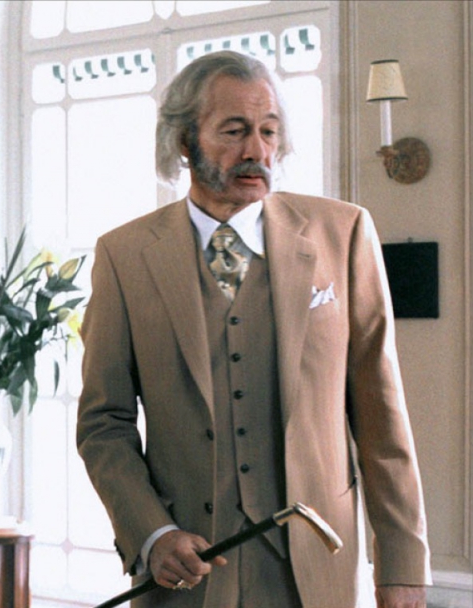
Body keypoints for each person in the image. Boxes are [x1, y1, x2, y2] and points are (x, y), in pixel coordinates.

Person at [76, 51, 430, 608]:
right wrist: (153, 533)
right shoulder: (124, 256)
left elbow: (382, 420)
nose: (257, 151)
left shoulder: (343, 234)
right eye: (234, 130)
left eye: (269, 131)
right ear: (185, 140)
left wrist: (402, 566)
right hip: (186, 573)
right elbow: (104, 423)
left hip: (317, 564)